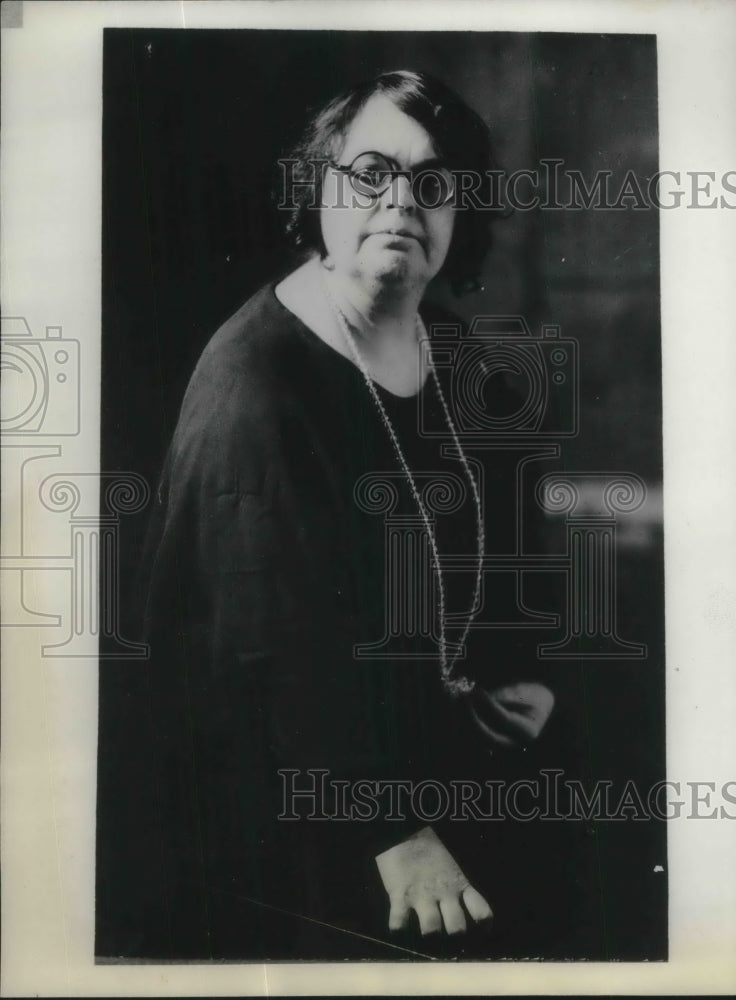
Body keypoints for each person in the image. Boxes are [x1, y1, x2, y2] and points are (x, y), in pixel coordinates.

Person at [110, 70, 570, 961]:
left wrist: (524, 671)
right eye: (371, 173)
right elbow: (265, 651)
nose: (401, 201)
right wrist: (394, 830)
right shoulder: (258, 384)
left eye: (433, 184)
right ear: (317, 188)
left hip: (435, 762)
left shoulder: (462, 358)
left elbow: (515, 543)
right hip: (295, 812)